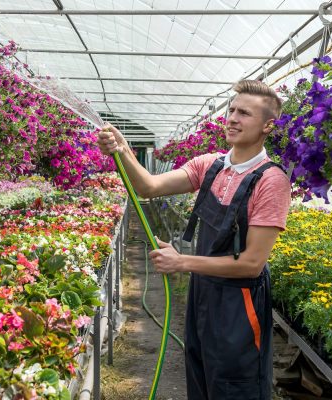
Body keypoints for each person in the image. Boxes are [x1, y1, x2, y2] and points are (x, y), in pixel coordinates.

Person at [97, 79, 291, 400]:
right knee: (200, 377)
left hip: (239, 304)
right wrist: (122, 149)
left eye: (245, 113)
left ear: (268, 126)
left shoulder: (271, 181)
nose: (232, 118)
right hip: (203, 296)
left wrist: (182, 261)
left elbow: (252, 264)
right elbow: (148, 187)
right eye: (231, 110)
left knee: (235, 385)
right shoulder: (209, 166)